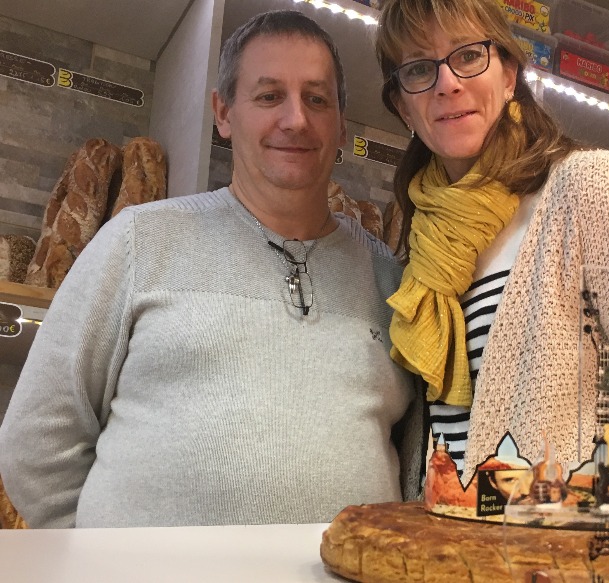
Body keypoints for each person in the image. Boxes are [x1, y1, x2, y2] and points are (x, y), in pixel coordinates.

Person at [0, 10, 422, 528]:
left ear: (341, 125)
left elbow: (413, 459)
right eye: (269, 96)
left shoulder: (390, 280)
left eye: (317, 99)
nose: (296, 119)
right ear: (223, 113)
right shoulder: (139, 241)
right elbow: (38, 440)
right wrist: (98, 555)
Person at [374, 0, 609, 488]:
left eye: (469, 55)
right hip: (446, 531)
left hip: (575, 533)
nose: (447, 83)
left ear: (508, 75)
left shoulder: (589, 188)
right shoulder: (423, 241)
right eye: (418, 68)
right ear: (402, 106)